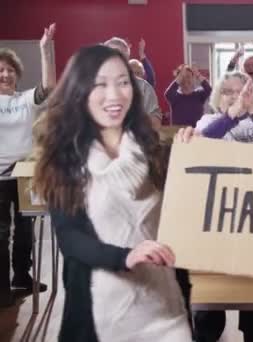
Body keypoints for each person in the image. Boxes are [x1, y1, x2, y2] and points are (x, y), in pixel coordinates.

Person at [31, 44, 192, 341]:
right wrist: (127, 256)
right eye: (100, 84)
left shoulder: (155, 150)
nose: (114, 95)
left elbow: (185, 210)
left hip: (164, 307)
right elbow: (72, 240)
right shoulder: (64, 159)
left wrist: (193, 156)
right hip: (101, 314)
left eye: (122, 82)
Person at [177, 71, 253, 342]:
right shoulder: (209, 121)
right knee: (208, 320)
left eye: (241, 90)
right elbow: (199, 146)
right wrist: (232, 115)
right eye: (227, 91)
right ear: (217, 96)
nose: (234, 95)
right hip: (215, 230)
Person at [0, 23, 55, 307]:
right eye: (0, 70)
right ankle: (1, 290)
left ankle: (22, 276)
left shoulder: (24, 100)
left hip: (23, 175)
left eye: (10, 70)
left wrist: (45, 50)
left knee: (24, 230)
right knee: (0, 233)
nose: (6, 74)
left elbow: (47, 87)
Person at [104, 37, 162, 129]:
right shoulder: (92, 87)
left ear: (127, 59)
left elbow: (156, 122)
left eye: (121, 56)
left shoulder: (144, 88)